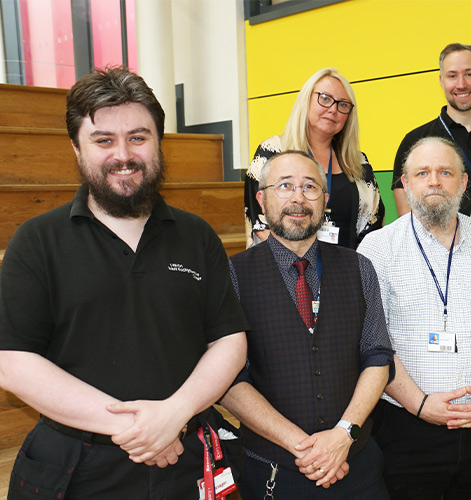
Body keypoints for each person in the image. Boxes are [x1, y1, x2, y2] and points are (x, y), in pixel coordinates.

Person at [0, 67, 249, 499]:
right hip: (76, 466)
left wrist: (176, 412)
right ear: (76, 148)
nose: (124, 154)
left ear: (158, 143)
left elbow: (229, 340)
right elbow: (13, 360)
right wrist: (139, 429)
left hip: (186, 456)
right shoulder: (37, 240)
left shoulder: (197, 235)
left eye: (138, 137)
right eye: (104, 140)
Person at [359, 136, 471, 499]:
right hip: (406, 429)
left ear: (464, 183)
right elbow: (373, 342)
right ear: (406, 184)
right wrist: (420, 405)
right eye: (422, 173)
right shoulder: (377, 249)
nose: (435, 181)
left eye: (445, 172)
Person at [223, 151, 393, 499]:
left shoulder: (360, 268)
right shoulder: (232, 276)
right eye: (284, 186)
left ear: (325, 200)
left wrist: (343, 435)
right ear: (262, 199)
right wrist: (309, 449)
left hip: (356, 466)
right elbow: (228, 380)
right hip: (273, 472)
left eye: (310, 187)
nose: (298, 198)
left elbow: (377, 358)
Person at [244, 67, 384, 248]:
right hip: (290, 271)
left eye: (342, 104)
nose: (333, 109)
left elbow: (373, 228)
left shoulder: (358, 162)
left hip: (347, 271)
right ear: (306, 100)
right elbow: (261, 225)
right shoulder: (271, 152)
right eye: (325, 99)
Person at [392, 43, 471, 217]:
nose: (461, 84)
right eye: (452, 76)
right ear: (442, 81)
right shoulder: (414, 141)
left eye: (469, 74)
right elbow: (407, 220)